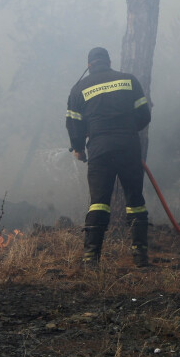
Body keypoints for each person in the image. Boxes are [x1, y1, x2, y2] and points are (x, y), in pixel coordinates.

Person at [65, 47, 153, 267]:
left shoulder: (79, 88)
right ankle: (141, 258)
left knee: (98, 204)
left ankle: (90, 260)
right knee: (135, 202)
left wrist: (78, 148)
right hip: (129, 148)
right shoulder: (128, 80)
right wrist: (127, 131)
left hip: (99, 151)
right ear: (108, 61)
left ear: (89, 65)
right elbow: (144, 115)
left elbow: (74, 124)